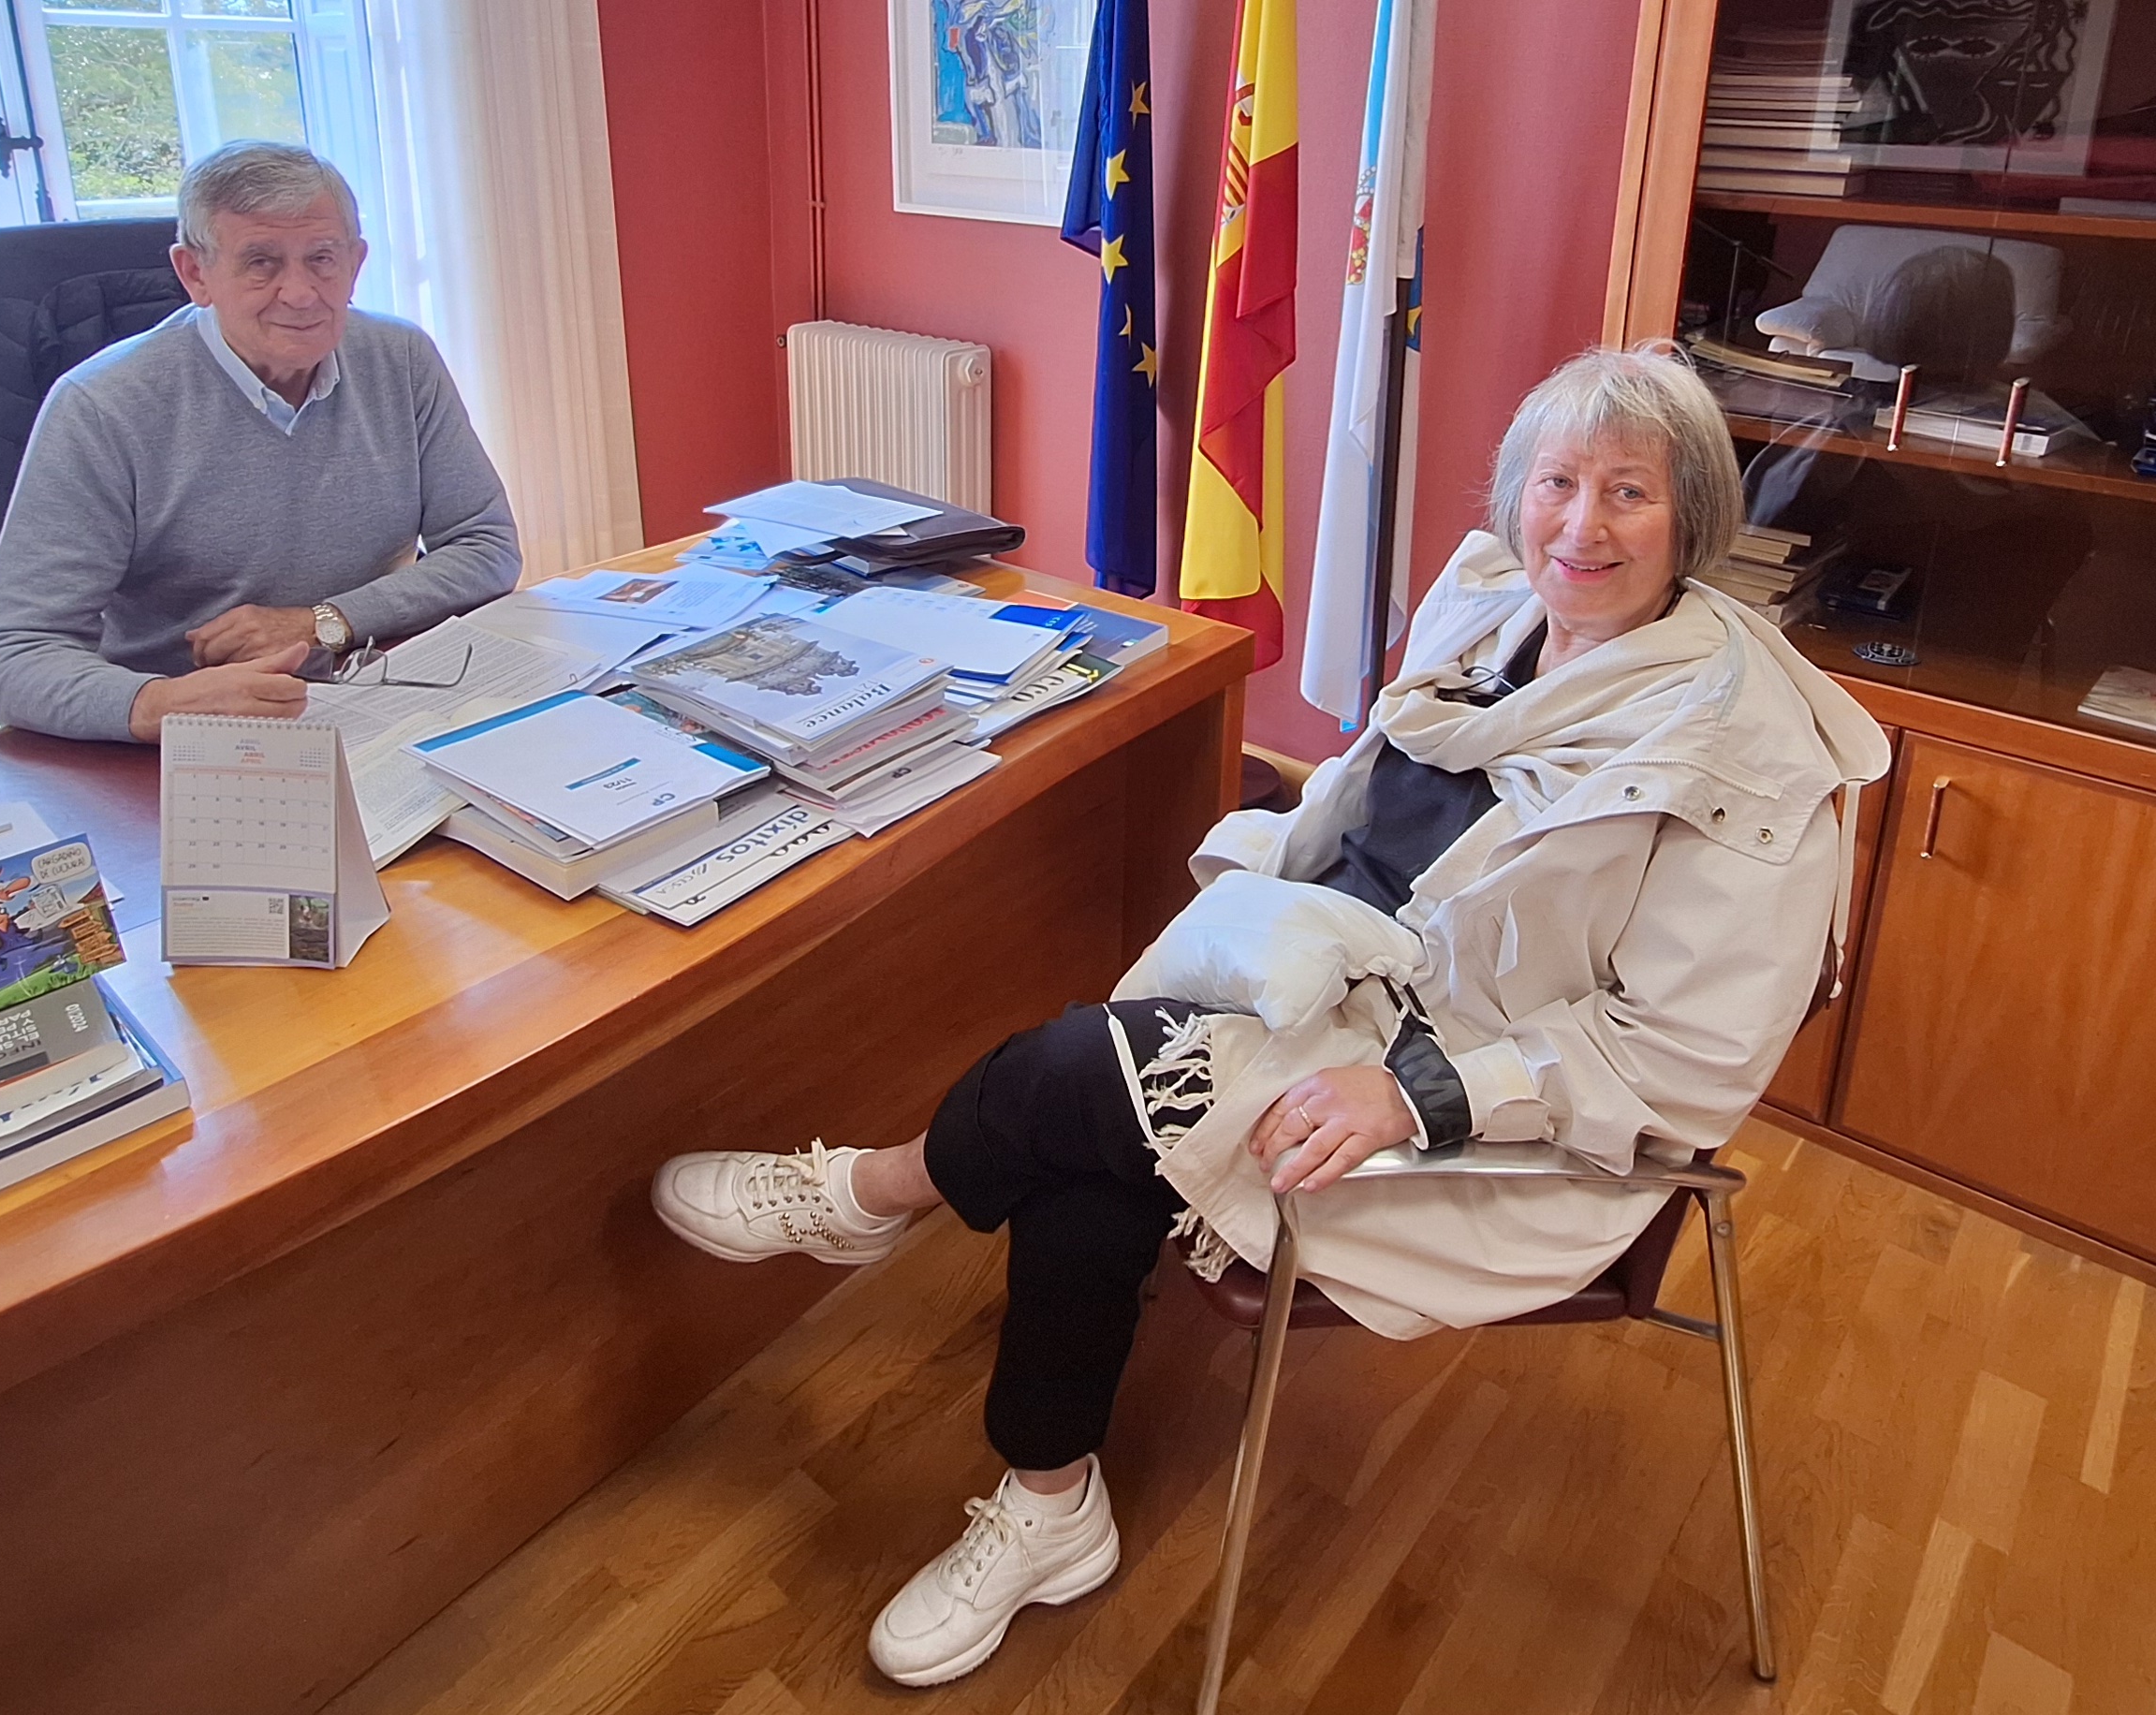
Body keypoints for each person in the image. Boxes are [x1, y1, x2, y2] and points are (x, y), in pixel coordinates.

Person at [649, 346, 1889, 1689]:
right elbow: (1356, 797)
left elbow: (1679, 1060)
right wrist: (1253, 889)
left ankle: (875, 1198)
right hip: (1310, 972)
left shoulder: (1742, 754)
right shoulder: (1494, 607)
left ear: (1692, 519)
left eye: (1629, 492)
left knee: (1076, 1089)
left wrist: (1410, 1095)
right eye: (1556, 482)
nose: (1580, 525)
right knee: (1092, 1119)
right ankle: (1049, 1503)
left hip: (1469, 1099)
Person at [0, 140, 521, 743]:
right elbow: (11, 656)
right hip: (190, 736)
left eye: (322, 258)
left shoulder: (400, 358)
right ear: (195, 274)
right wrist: (157, 704)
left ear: (355, 263)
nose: (301, 293)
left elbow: (486, 546)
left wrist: (323, 622)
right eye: (261, 262)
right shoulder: (102, 406)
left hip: (374, 697)